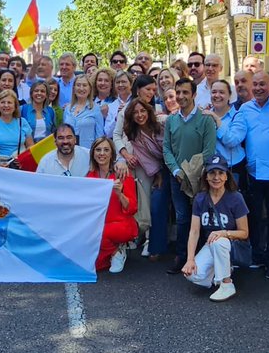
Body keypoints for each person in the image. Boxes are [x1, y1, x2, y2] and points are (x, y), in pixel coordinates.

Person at [223, 70, 269, 279]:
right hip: (254, 173)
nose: (258, 88)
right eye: (255, 84)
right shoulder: (245, 110)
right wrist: (215, 120)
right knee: (255, 217)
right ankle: (257, 256)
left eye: (262, 84)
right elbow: (233, 139)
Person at [163, 76, 217, 273]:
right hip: (176, 177)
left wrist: (190, 172)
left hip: (200, 179)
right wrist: (177, 170)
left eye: (185, 92)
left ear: (194, 94)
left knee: (201, 218)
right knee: (182, 217)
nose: (181, 96)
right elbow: (167, 149)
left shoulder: (206, 120)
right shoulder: (171, 120)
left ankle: (204, 258)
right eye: (178, 93)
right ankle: (182, 256)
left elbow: (208, 151)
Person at [182, 154, 250, 302]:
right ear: (206, 176)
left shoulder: (235, 198)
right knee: (192, 274)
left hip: (230, 244)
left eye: (220, 173)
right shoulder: (200, 198)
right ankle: (223, 269)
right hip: (211, 244)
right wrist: (190, 259)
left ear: (227, 176)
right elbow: (194, 232)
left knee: (218, 241)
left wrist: (224, 233)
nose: (216, 177)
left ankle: (226, 284)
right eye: (212, 173)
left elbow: (244, 233)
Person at [116, 98, 169, 259]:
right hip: (156, 169)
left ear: (148, 111)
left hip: (173, 164)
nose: (139, 115)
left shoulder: (162, 123)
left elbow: (171, 146)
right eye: (135, 113)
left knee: (174, 210)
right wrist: (158, 174)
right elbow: (146, 158)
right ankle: (153, 245)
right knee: (154, 205)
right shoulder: (135, 134)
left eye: (142, 111)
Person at [87, 137, 138, 272]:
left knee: (99, 234)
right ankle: (110, 250)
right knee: (93, 265)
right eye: (98, 150)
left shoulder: (122, 174)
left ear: (111, 154)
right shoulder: (90, 177)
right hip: (99, 225)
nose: (101, 153)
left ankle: (117, 252)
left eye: (106, 150)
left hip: (122, 224)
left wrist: (120, 194)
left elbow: (132, 208)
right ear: (93, 153)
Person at [207, 78, 244, 184]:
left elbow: (231, 141)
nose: (217, 95)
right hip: (211, 168)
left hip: (232, 168)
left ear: (230, 95)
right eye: (214, 92)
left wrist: (216, 119)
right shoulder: (205, 115)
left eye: (222, 92)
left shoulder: (238, 116)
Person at [0, 90, 34, 166]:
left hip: (19, 165)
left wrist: (23, 158)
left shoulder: (23, 122)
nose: (6, 105)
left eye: (9, 103)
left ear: (15, 106)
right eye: (3, 102)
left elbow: (30, 145)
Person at [62, 75, 107, 144]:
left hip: (87, 151)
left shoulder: (96, 109)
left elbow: (99, 136)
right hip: (69, 151)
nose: (81, 88)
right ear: (74, 89)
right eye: (78, 85)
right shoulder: (67, 109)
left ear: (90, 89)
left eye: (84, 85)